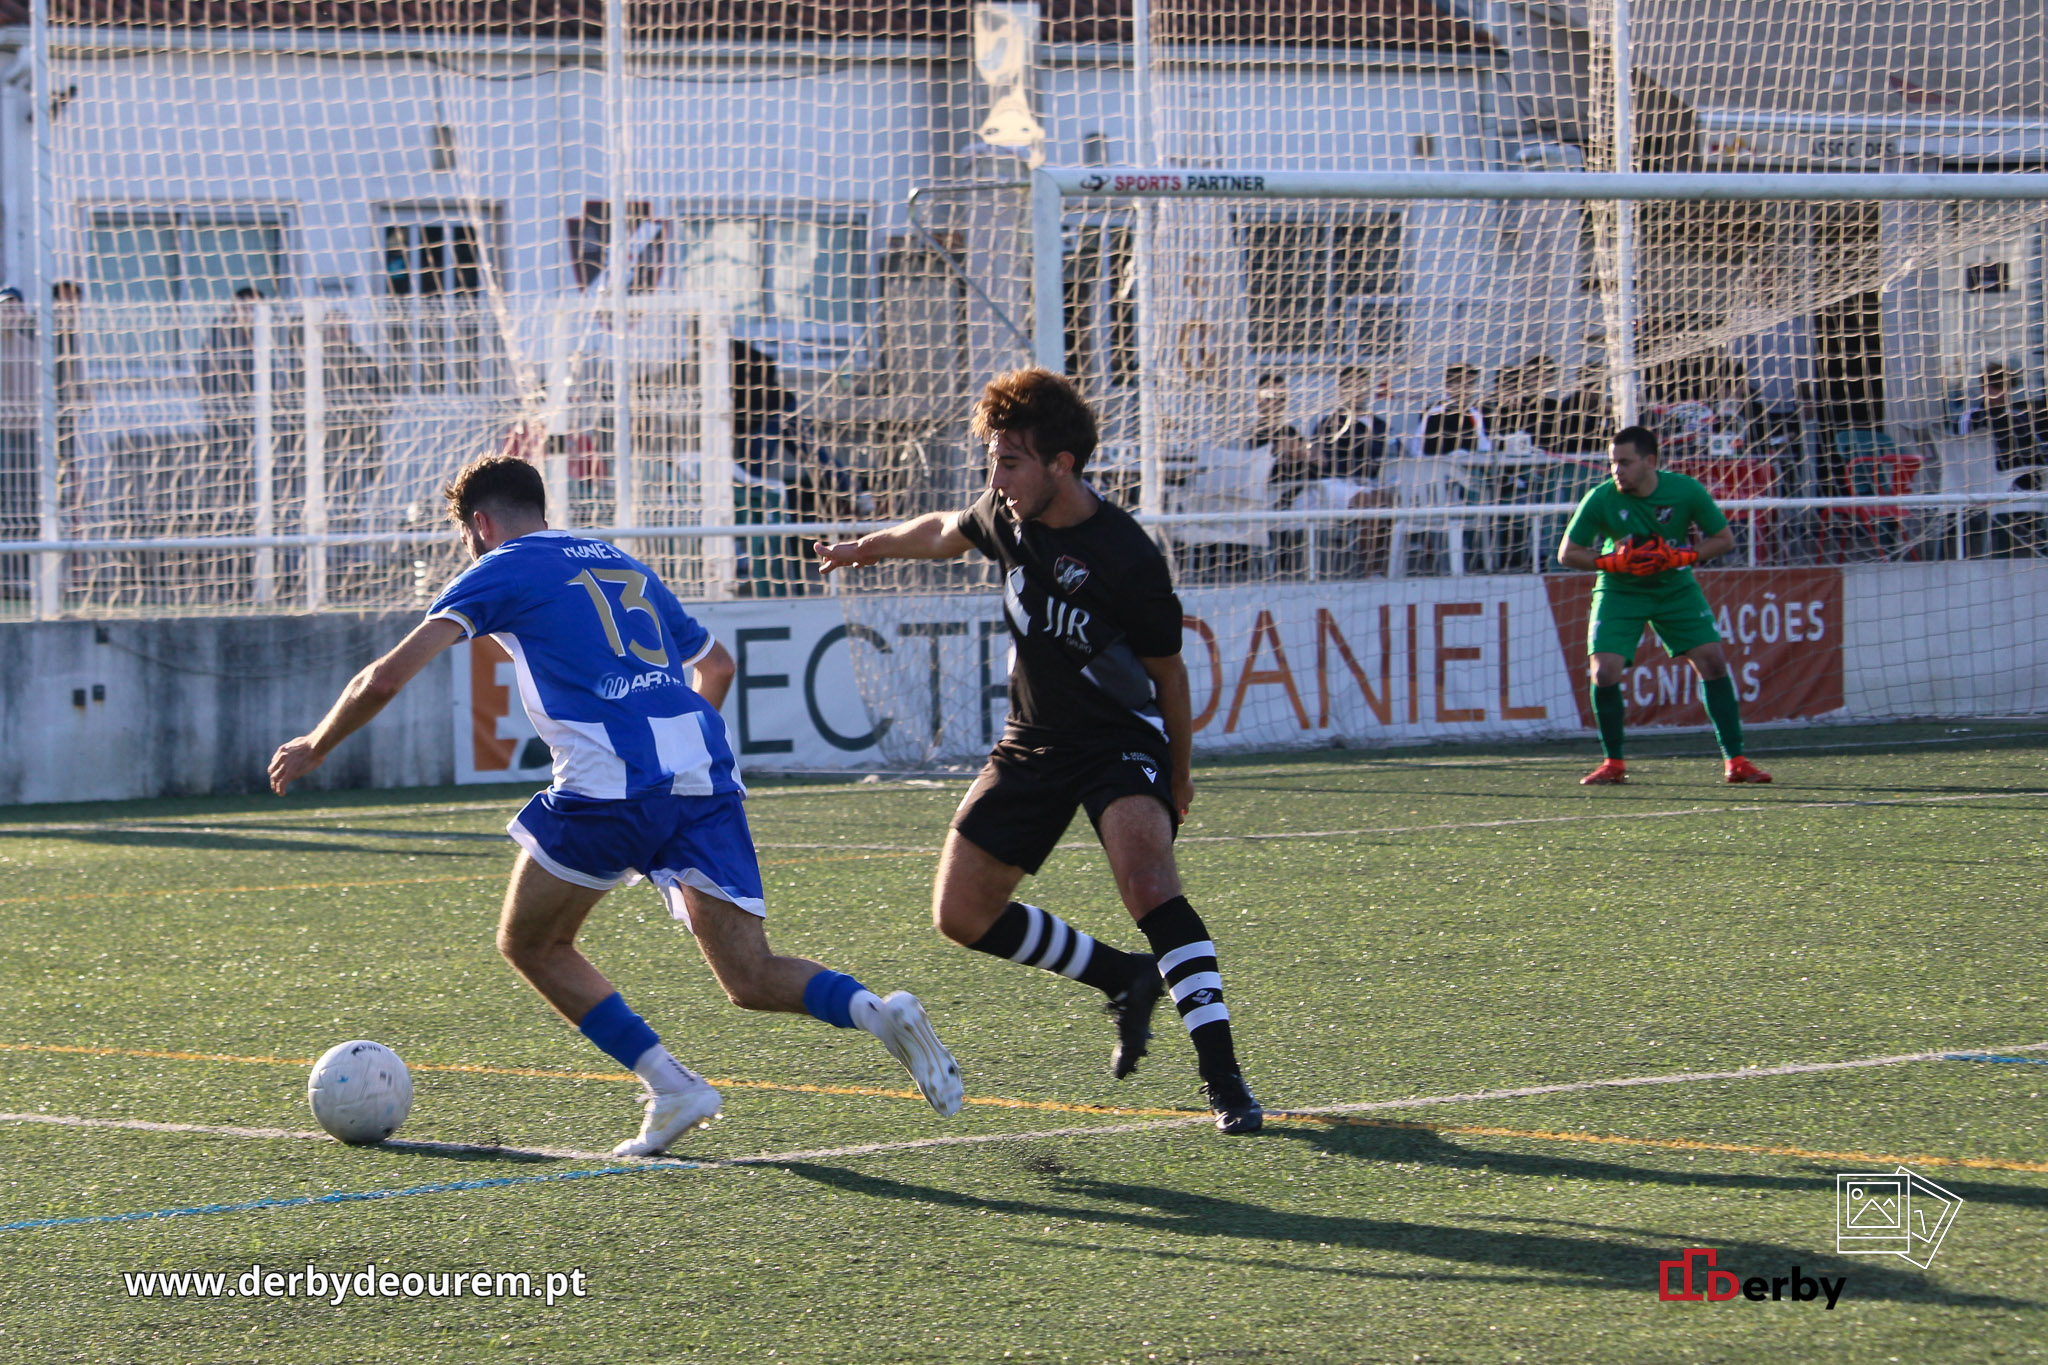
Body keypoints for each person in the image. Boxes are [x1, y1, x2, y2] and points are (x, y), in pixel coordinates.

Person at [268, 454, 962, 1156]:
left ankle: (671, 1083)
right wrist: (673, 767)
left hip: (609, 781)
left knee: (530, 942)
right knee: (749, 975)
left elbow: (385, 678)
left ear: (480, 525)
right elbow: (716, 666)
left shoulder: (501, 566)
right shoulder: (618, 561)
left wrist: (316, 745)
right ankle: (876, 1011)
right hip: (702, 774)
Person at [812, 367, 1263, 1134]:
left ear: (1063, 463)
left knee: (1149, 884)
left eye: (1011, 460)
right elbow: (942, 531)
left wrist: (1179, 773)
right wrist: (867, 548)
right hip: (1030, 743)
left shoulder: (1127, 555)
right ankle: (1121, 975)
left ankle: (1225, 1078)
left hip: (1118, 740)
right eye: (992, 458)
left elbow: (1169, 674)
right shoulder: (1007, 513)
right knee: (959, 914)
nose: (997, 476)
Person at [1557, 425, 1773, 787]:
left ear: (1650, 461)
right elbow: (1568, 554)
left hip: (1674, 587)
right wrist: (1611, 562)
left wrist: (1682, 555)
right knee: (1604, 672)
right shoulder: (1600, 497)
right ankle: (1613, 763)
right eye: (1612, 463)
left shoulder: (1685, 490)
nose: (1616, 471)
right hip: (1620, 589)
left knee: (1714, 662)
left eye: (1624, 463)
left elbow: (1722, 539)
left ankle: (1736, 762)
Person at [1304, 364, 1392, 576]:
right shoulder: (1329, 424)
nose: (1357, 391)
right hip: (1334, 484)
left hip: (1369, 483)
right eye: (1350, 386)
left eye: (1361, 386)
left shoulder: (1380, 425)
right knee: (1367, 503)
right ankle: (1369, 571)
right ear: (1341, 391)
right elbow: (1324, 462)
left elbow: (1385, 458)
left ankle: (1385, 570)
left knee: (1387, 501)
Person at [1418, 362, 1492, 456]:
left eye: (1469, 383)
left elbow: (1483, 446)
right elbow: (1426, 450)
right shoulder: (1435, 412)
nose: (1465, 388)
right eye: (1459, 382)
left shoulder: (1474, 414)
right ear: (1448, 386)